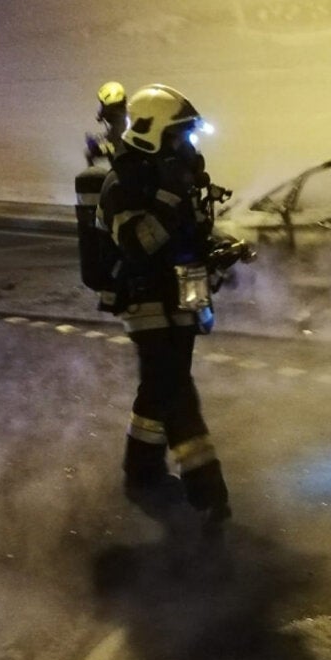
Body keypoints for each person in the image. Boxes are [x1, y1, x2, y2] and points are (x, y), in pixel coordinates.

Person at [96, 83, 231, 525]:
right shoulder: (123, 182)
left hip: (181, 299)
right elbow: (137, 244)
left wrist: (219, 249)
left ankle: (141, 469)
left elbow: (188, 235)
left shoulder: (174, 177)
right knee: (176, 391)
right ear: (153, 132)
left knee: (158, 388)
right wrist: (170, 199)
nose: (186, 144)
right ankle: (206, 487)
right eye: (179, 134)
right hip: (146, 301)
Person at [85, 80, 128, 166]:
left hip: (126, 169)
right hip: (129, 163)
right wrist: (102, 139)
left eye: (102, 104)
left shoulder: (120, 124)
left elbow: (115, 147)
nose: (100, 108)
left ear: (109, 107)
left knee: (89, 155)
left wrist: (95, 148)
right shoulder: (122, 117)